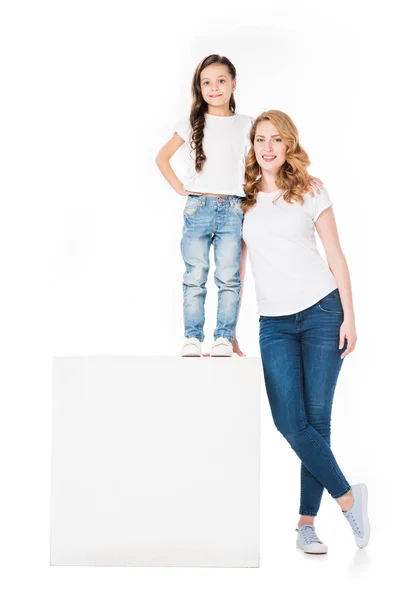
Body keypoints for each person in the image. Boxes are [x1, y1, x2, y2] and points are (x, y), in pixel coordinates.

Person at [240, 109, 370, 554]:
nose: (268, 148)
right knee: (290, 422)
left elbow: (336, 256)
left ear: (289, 144)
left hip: (322, 312)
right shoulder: (242, 198)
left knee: (316, 422)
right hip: (274, 321)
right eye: (260, 140)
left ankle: (305, 524)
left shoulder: (311, 190)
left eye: (276, 139)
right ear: (252, 146)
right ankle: (349, 498)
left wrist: (349, 317)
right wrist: (227, 328)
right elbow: (234, 270)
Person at [156, 55, 321, 357]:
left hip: (233, 210)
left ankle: (223, 337)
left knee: (229, 277)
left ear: (233, 84)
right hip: (198, 207)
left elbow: (267, 154)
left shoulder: (246, 124)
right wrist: (182, 188)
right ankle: (192, 338)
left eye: (221, 81)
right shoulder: (191, 123)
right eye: (206, 82)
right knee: (195, 275)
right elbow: (161, 157)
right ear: (199, 87)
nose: (214, 88)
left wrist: (302, 176)